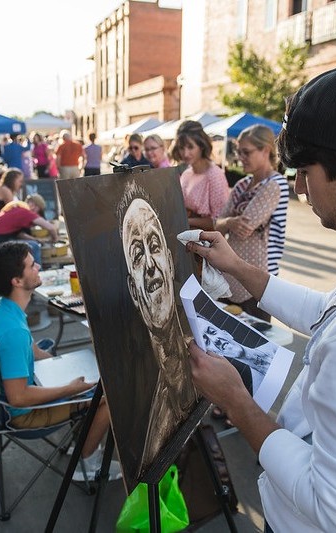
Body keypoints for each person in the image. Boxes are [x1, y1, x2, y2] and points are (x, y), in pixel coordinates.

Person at [187, 64, 336, 532]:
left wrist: (236, 402)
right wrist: (238, 267)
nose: (300, 190)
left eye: (305, 173)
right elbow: (328, 310)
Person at [0, 241, 119, 481]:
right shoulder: (13, 332)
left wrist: (58, 363)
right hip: (20, 414)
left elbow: (31, 349)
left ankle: (83, 443)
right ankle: (87, 464)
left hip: (3, 397)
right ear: (17, 281)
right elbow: (19, 397)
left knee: (89, 371)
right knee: (108, 397)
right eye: (32, 265)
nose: (39, 266)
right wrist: (69, 388)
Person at [116, 181, 198, 477]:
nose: (150, 265)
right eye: (138, 255)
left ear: (172, 263)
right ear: (133, 292)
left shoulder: (203, 350)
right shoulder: (140, 410)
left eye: (154, 246)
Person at [215, 125, 289, 320]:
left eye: (246, 152)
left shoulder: (275, 184)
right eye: (238, 151)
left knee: (254, 343)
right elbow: (217, 224)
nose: (240, 157)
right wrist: (230, 221)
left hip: (259, 281)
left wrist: (226, 223)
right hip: (230, 276)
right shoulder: (242, 184)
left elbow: (245, 227)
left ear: (265, 150)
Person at [197, 315, 276, 394]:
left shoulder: (274, 348)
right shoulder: (254, 391)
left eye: (213, 332)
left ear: (226, 333)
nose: (216, 340)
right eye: (207, 341)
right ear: (214, 352)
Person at [176, 120, 229, 231]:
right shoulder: (186, 174)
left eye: (190, 147)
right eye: (181, 148)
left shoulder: (214, 175)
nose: (185, 153)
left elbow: (220, 220)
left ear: (201, 146)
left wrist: (186, 221)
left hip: (207, 242)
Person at [0, 193, 57, 265]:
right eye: (39, 211)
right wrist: (54, 239)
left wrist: (36, 239)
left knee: (32, 243)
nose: (37, 215)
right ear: (34, 206)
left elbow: (20, 234)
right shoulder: (25, 212)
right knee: (34, 246)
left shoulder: (17, 210)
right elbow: (51, 228)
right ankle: (37, 273)